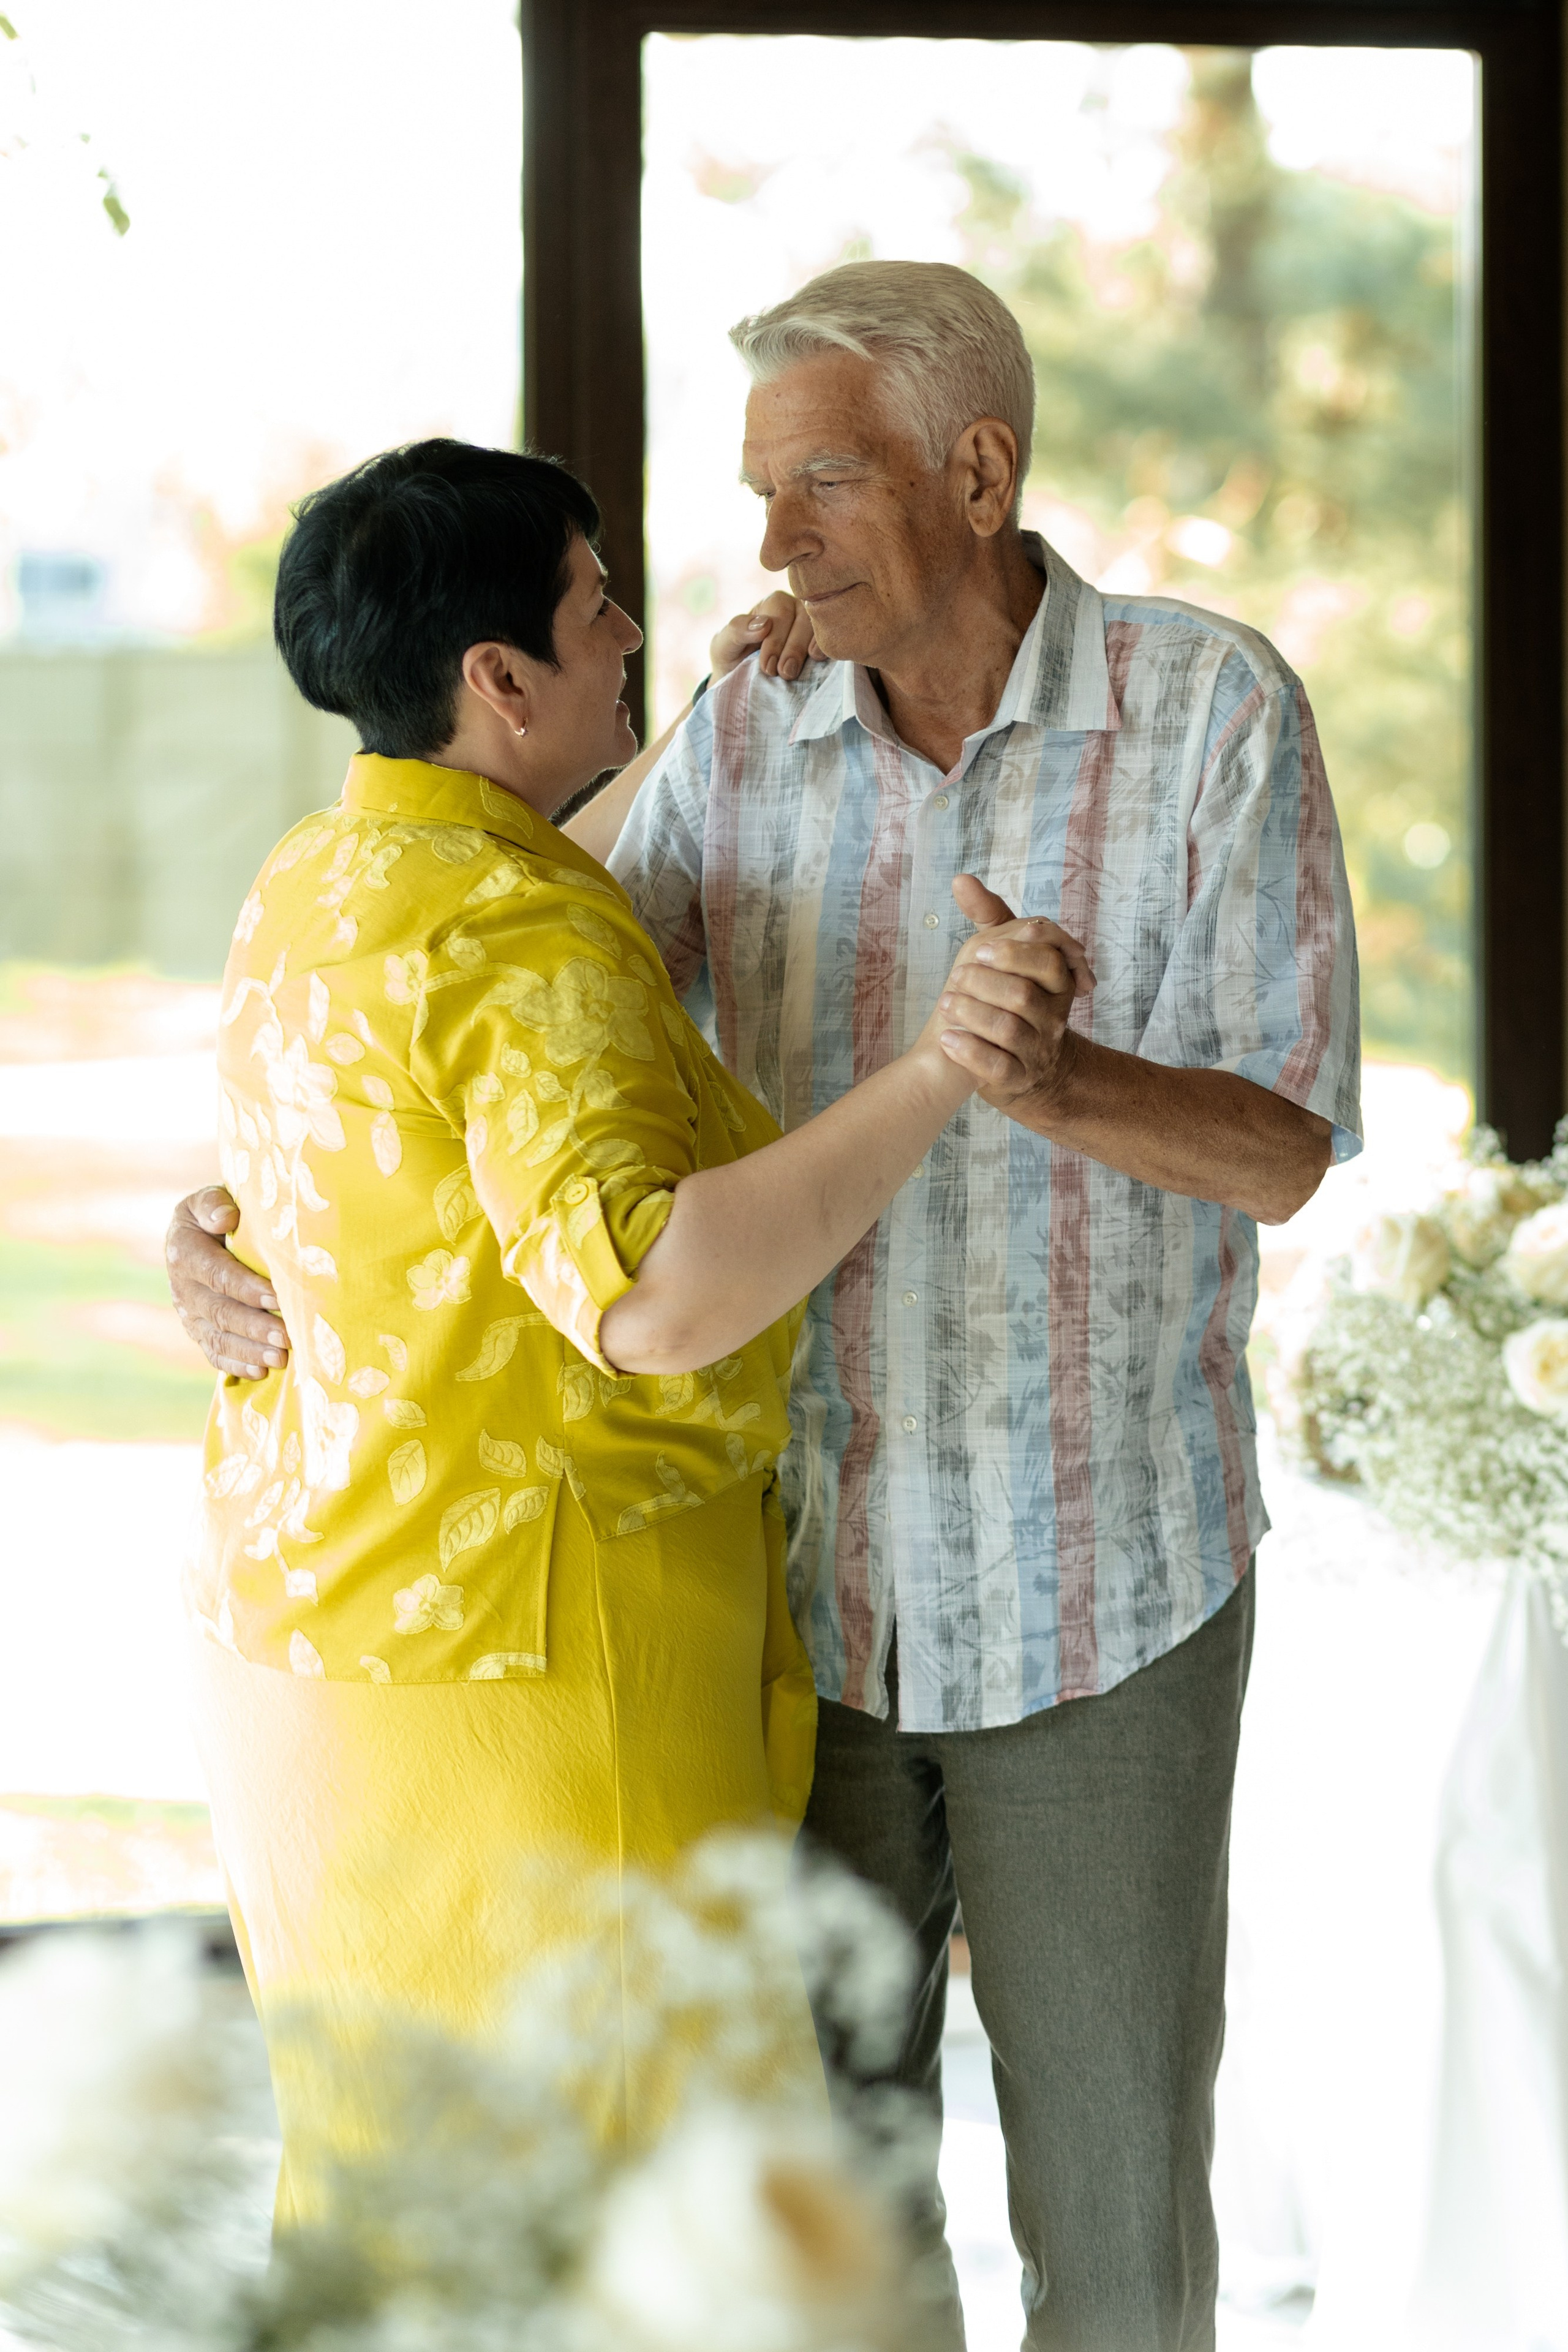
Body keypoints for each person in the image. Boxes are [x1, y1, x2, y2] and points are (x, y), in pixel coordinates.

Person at [170, 263, 1361, 2347]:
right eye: (759, 492)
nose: (774, 542)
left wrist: (1050, 1078)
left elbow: (1282, 1148)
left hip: (1104, 1587)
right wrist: (241, 1215)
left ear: (978, 472)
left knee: (1114, 2220)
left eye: (823, 483)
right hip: (790, 1598)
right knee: (825, 2236)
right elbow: (514, 1036)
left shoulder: (1213, 712)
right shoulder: (738, 727)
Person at [180, 434, 1065, 2224]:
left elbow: (494, 943)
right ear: (499, 679)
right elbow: (652, 1293)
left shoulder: (319, 883)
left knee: (409, 2209)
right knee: (637, 2210)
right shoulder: (517, 935)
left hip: (321, 1661)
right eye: (595, 607)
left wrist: (688, 727)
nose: (635, 629)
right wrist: (940, 1069)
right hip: (537, 1675)